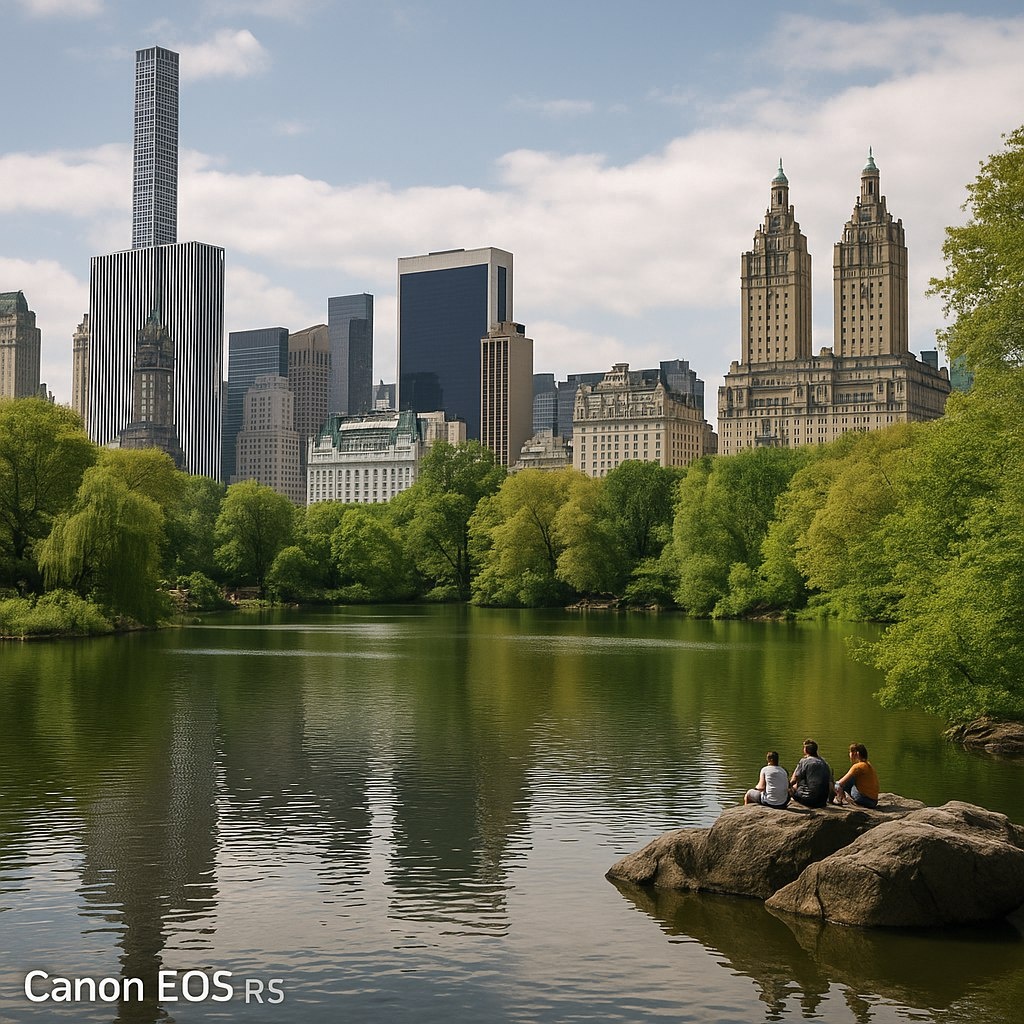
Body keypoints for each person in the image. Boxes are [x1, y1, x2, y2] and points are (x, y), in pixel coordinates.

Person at [789, 739, 834, 808]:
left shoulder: (804, 761)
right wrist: (830, 800)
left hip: (807, 800)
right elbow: (830, 784)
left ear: (806, 750)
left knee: (793, 785)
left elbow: (794, 780)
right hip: (822, 802)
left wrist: (787, 786)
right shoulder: (825, 763)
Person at [834, 743, 880, 808]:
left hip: (864, 800)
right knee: (851, 778)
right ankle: (842, 797)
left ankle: (839, 798)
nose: (849, 754)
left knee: (841, 783)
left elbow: (840, 784)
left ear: (856, 753)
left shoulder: (858, 766)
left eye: (850, 752)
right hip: (874, 802)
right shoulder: (868, 764)